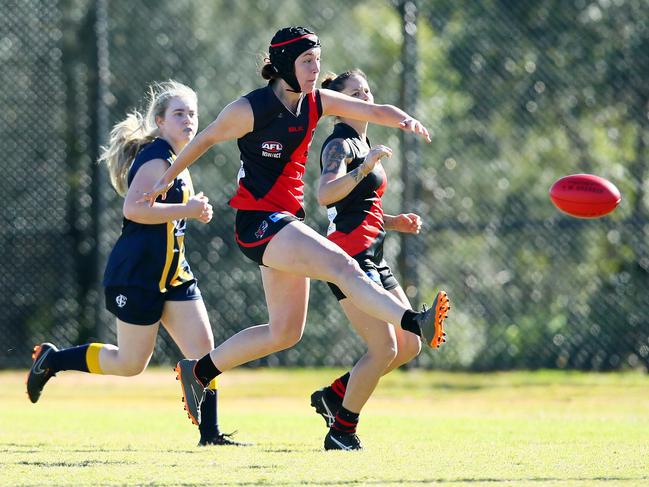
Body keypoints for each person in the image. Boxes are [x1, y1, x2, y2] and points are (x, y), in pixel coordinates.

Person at [140, 27, 450, 451]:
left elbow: (377, 110)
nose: (315, 70)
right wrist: (164, 178)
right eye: (307, 62)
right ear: (285, 63)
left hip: (285, 221)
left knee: (285, 332)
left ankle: (199, 373)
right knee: (342, 264)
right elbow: (206, 139)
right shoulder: (250, 108)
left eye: (318, 61)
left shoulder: (316, 102)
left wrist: (404, 120)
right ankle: (414, 321)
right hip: (258, 221)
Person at [26, 80, 241, 447]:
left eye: (192, 113)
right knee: (130, 363)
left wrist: (188, 209)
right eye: (179, 114)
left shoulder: (179, 159)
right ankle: (53, 360)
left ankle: (211, 434)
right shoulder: (157, 156)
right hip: (139, 274)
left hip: (174, 274)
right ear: (160, 121)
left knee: (205, 352)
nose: (188, 120)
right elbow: (134, 208)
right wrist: (188, 208)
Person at [307, 69, 439, 450]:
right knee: (385, 348)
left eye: (367, 88)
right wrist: (364, 167)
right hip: (347, 257)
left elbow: (359, 206)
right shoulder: (340, 145)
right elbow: (325, 194)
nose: (365, 95)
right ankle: (342, 432)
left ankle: (336, 395)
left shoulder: (365, 142)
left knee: (410, 344)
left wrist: (393, 221)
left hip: (373, 254)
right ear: (339, 105)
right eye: (355, 92)